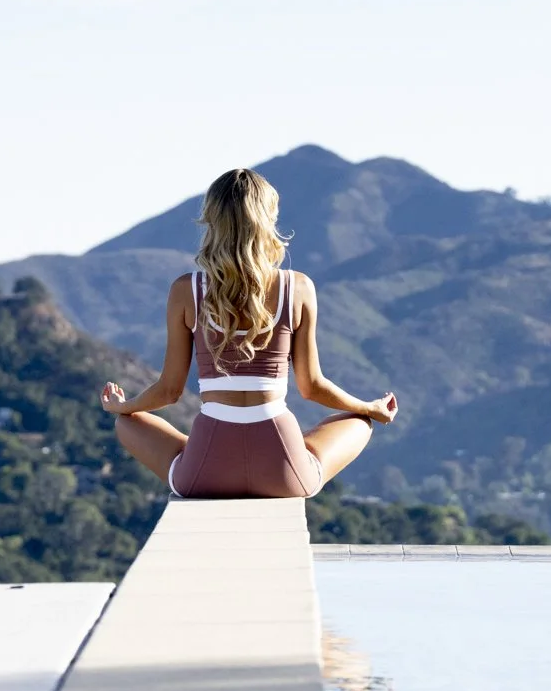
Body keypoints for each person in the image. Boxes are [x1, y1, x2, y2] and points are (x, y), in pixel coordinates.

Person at [100, 167, 398, 498]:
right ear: (268, 219)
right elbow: (312, 387)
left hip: (204, 474)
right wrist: (369, 407)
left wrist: (122, 407)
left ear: (211, 221)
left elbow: (169, 392)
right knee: (358, 422)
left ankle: (204, 450)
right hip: (284, 474)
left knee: (128, 423)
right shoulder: (296, 288)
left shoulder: (187, 291)